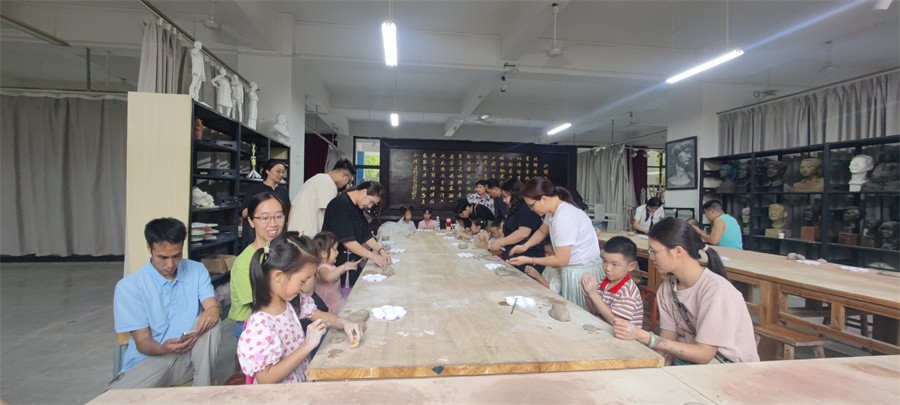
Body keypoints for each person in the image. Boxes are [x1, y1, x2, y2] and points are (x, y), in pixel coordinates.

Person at [613, 217, 759, 365]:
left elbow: (704, 354)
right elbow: (666, 343)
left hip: (728, 370)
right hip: (690, 365)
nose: (651, 258)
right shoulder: (667, 288)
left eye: (654, 251)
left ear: (678, 251)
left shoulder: (716, 291)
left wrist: (644, 337)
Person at [111, 218, 221, 389]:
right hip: (152, 360)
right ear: (149, 248)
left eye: (177, 256)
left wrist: (213, 310)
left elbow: (211, 307)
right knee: (116, 398)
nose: (170, 264)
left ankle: (202, 390)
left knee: (212, 321)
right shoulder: (129, 287)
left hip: (189, 362)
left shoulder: (197, 270)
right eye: (162, 257)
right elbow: (143, 341)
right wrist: (164, 348)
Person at [236, 232, 326, 384]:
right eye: (302, 281)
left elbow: (319, 314)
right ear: (279, 276)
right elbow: (265, 378)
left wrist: (344, 323)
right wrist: (307, 346)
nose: (304, 287)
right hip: (281, 394)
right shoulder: (260, 325)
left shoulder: (289, 302)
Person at [508, 176, 603, 311]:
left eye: (531, 206)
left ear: (544, 199)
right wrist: (525, 246)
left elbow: (561, 260)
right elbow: (542, 231)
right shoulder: (553, 211)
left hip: (580, 274)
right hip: (574, 269)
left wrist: (529, 259)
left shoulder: (563, 217)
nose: (531, 209)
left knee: (578, 313)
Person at [230, 192, 286, 337]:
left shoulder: (284, 251)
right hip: (253, 327)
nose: (273, 224)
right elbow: (261, 307)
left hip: (281, 316)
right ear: (251, 221)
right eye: (265, 218)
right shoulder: (244, 264)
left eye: (279, 216)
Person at [322, 181, 392, 287]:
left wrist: (381, 251)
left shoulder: (357, 206)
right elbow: (348, 241)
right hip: (336, 261)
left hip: (351, 259)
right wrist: (374, 257)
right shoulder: (340, 204)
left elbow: (366, 234)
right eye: (371, 201)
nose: (369, 206)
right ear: (364, 192)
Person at [580, 236, 643, 328]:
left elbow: (616, 323)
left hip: (622, 335)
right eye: (605, 261)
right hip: (603, 328)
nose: (608, 268)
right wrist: (588, 296)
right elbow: (596, 312)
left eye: (614, 264)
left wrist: (593, 295)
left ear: (631, 266)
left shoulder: (628, 292)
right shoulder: (604, 282)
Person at [489, 179, 544, 272]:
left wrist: (502, 242)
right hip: (514, 256)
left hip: (527, 256)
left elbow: (523, 232)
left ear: (514, 194)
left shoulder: (525, 207)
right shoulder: (514, 208)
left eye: (505, 196)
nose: (504, 200)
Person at [288, 159, 355, 235]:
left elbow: (293, 206)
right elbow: (329, 213)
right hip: (308, 234)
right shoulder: (328, 184)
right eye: (349, 181)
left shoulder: (316, 178)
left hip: (295, 231)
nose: (346, 184)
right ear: (344, 176)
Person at [241, 160, 291, 249]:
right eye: (278, 171)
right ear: (267, 171)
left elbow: (287, 213)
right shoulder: (255, 189)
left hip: (277, 236)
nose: (281, 175)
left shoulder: (283, 191)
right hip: (257, 236)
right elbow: (244, 213)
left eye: (283, 172)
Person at [312, 232, 360, 314]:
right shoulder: (321, 268)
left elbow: (335, 274)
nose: (337, 252)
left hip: (336, 303)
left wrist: (347, 266)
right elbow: (328, 277)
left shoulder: (331, 266)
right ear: (323, 254)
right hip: (328, 309)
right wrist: (343, 267)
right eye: (335, 249)